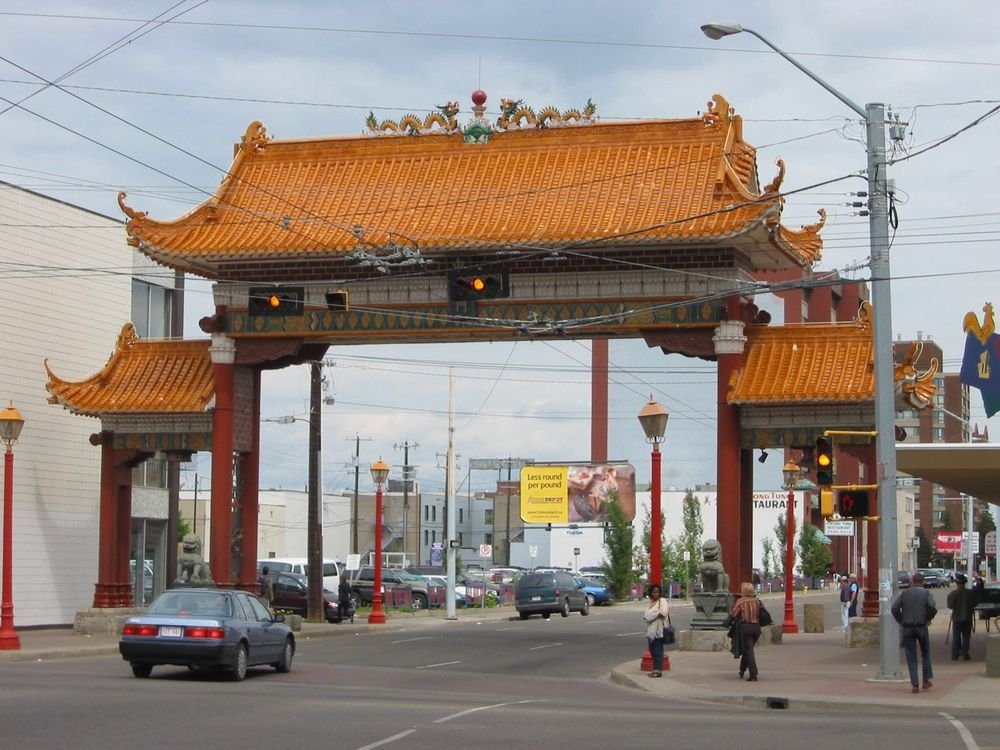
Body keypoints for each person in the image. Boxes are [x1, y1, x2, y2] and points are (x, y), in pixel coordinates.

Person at [891, 571, 937, 693]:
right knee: (925, 654)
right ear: (923, 582)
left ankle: (915, 684)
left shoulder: (905, 593)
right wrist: (928, 619)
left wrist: (901, 620)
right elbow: (932, 607)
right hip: (921, 626)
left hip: (907, 627)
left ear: (912, 581)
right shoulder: (926, 593)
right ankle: (926, 680)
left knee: (911, 656)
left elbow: (895, 608)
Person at [731, 581, 762, 682]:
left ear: (743, 591)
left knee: (748, 651)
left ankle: (753, 673)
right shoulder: (757, 601)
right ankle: (742, 670)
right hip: (757, 628)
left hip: (746, 628)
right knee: (748, 650)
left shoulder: (740, 601)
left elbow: (735, 615)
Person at [643, 583, 669, 678]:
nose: (656, 594)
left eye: (658, 592)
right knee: (652, 650)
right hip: (650, 631)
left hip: (659, 630)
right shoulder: (651, 602)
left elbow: (662, 613)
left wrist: (651, 616)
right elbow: (645, 616)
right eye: (654, 592)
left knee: (658, 650)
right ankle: (655, 669)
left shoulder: (662, 601)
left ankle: (658, 671)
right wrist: (653, 614)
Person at [947, 572, 975, 661]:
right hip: (967, 617)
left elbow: (950, 606)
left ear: (957, 583)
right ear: (964, 583)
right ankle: (965, 654)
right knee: (966, 637)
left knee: (956, 637)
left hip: (957, 618)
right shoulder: (970, 593)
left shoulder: (953, 594)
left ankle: (955, 655)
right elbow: (975, 603)